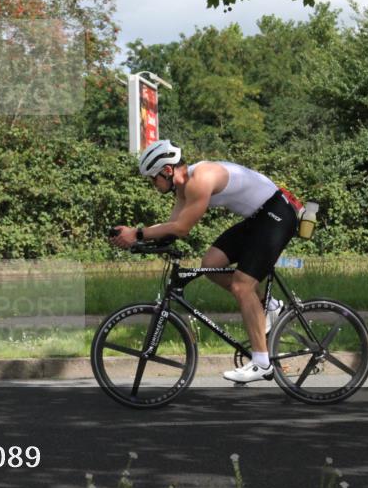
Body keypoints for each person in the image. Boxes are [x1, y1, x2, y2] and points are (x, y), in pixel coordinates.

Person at [110, 140, 299, 383]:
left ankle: (262, 363)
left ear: (167, 171)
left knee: (243, 286)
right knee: (211, 263)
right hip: (259, 218)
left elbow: (182, 228)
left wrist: (137, 233)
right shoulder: (182, 188)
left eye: (153, 178)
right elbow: (171, 228)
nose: (152, 184)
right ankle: (269, 307)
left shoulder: (201, 178)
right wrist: (134, 240)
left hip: (277, 215)